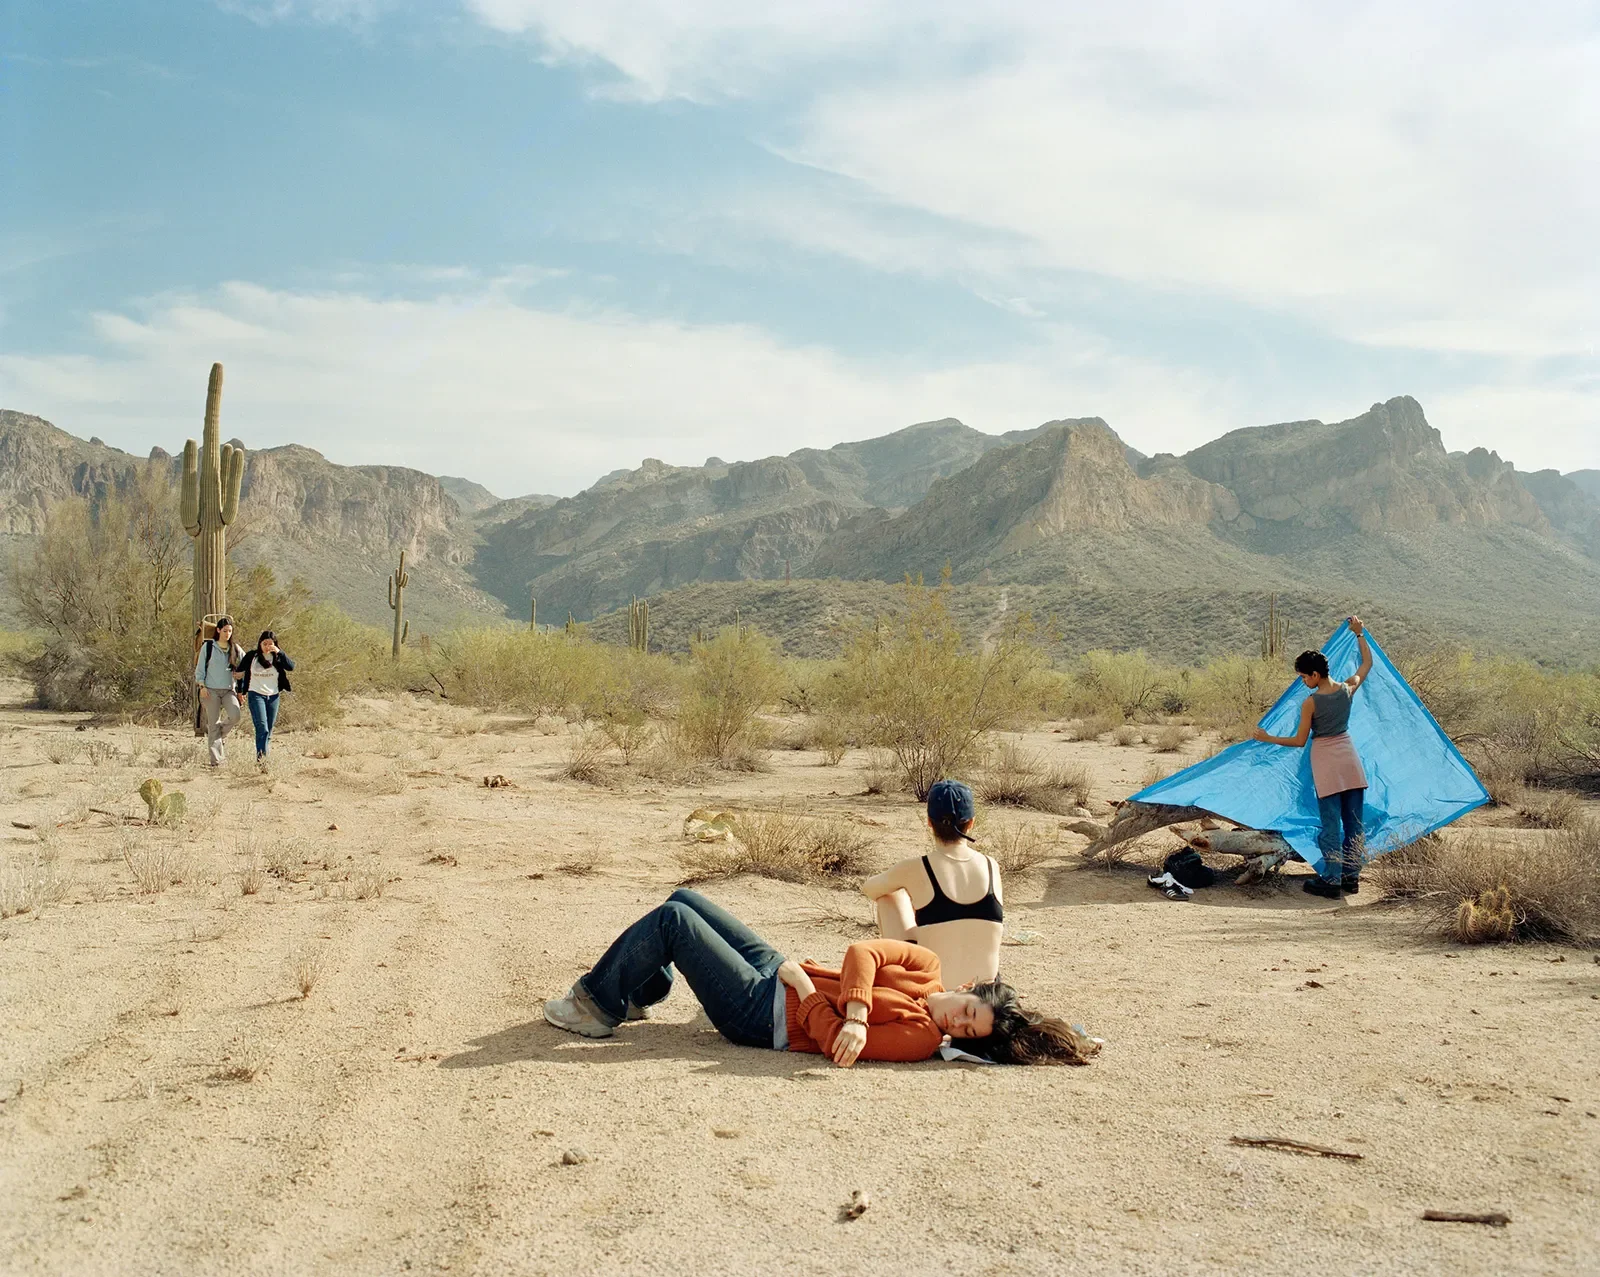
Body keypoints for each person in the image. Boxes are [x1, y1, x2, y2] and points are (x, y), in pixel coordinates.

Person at [543, 889, 1098, 1067]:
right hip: (784, 975)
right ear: (971, 989)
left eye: (968, 1031)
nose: (957, 1023)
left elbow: (835, 1044)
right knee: (685, 897)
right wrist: (854, 1008)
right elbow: (862, 953)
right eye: (969, 1012)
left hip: (765, 1017)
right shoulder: (928, 969)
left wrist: (811, 997)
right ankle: (644, 990)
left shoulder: (919, 1037)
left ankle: (597, 1007)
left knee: (675, 922)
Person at [1253, 616, 1373, 899]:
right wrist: (1360, 634)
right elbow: (1365, 665)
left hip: (1327, 764)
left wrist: (1268, 738)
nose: (1303, 681)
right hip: (1351, 761)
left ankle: (1331, 880)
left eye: (1304, 677)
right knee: (1354, 822)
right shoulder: (1347, 689)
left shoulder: (1311, 702)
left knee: (1331, 824)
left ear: (1315, 675)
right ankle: (1351, 877)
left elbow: (1298, 741)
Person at [858, 779, 1003, 989]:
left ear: (928, 821)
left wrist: (908, 888)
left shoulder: (915, 867)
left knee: (890, 896)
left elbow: (870, 889)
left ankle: (897, 986)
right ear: (971, 822)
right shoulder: (991, 866)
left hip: (933, 991)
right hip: (984, 995)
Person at [235, 630, 294, 765]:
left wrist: (279, 652)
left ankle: (263, 756)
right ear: (260, 644)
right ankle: (262, 761)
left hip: (273, 696)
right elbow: (239, 672)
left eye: (270, 644)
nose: (267, 646)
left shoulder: (277, 658)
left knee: (269, 729)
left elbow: (291, 667)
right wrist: (240, 691)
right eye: (265, 643)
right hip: (256, 695)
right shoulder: (252, 656)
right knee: (262, 728)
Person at [193, 616, 245, 767]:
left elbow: (246, 663)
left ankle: (219, 733)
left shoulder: (235, 648)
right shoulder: (208, 647)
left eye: (230, 631)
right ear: (218, 630)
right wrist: (202, 686)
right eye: (225, 630)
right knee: (213, 722)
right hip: (211, 690)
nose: (227, 633)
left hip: (229, 690)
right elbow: (200, 669)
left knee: (235, 715)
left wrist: (241, 675)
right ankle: (217, 761)